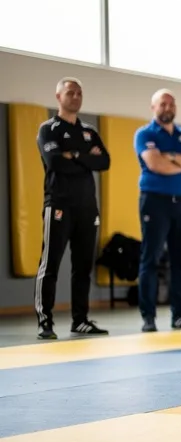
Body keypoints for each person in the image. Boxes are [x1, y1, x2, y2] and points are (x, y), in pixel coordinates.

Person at [34, 77, 110, 339]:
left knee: (83, 267)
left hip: (87, 208)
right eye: (70, 92)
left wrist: (75, 155)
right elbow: (56, 162)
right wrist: (87, 158)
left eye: (79, 92)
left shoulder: (89, 131)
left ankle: (80, 319)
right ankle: (45, 321)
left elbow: (105, 162)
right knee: (50, 264)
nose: (76, 96)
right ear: (58, 97)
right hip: (58, 205)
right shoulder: (48, 129)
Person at [133, 89, 181, 333]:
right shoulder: (144, 134)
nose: (168, 108)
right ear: (153, 107)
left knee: (180, 261)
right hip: (155, 202)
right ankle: (149, 317)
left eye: (171, 104)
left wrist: (173, 156)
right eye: (163, 104)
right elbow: (156, 165)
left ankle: (180, 315)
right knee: (151, 259)